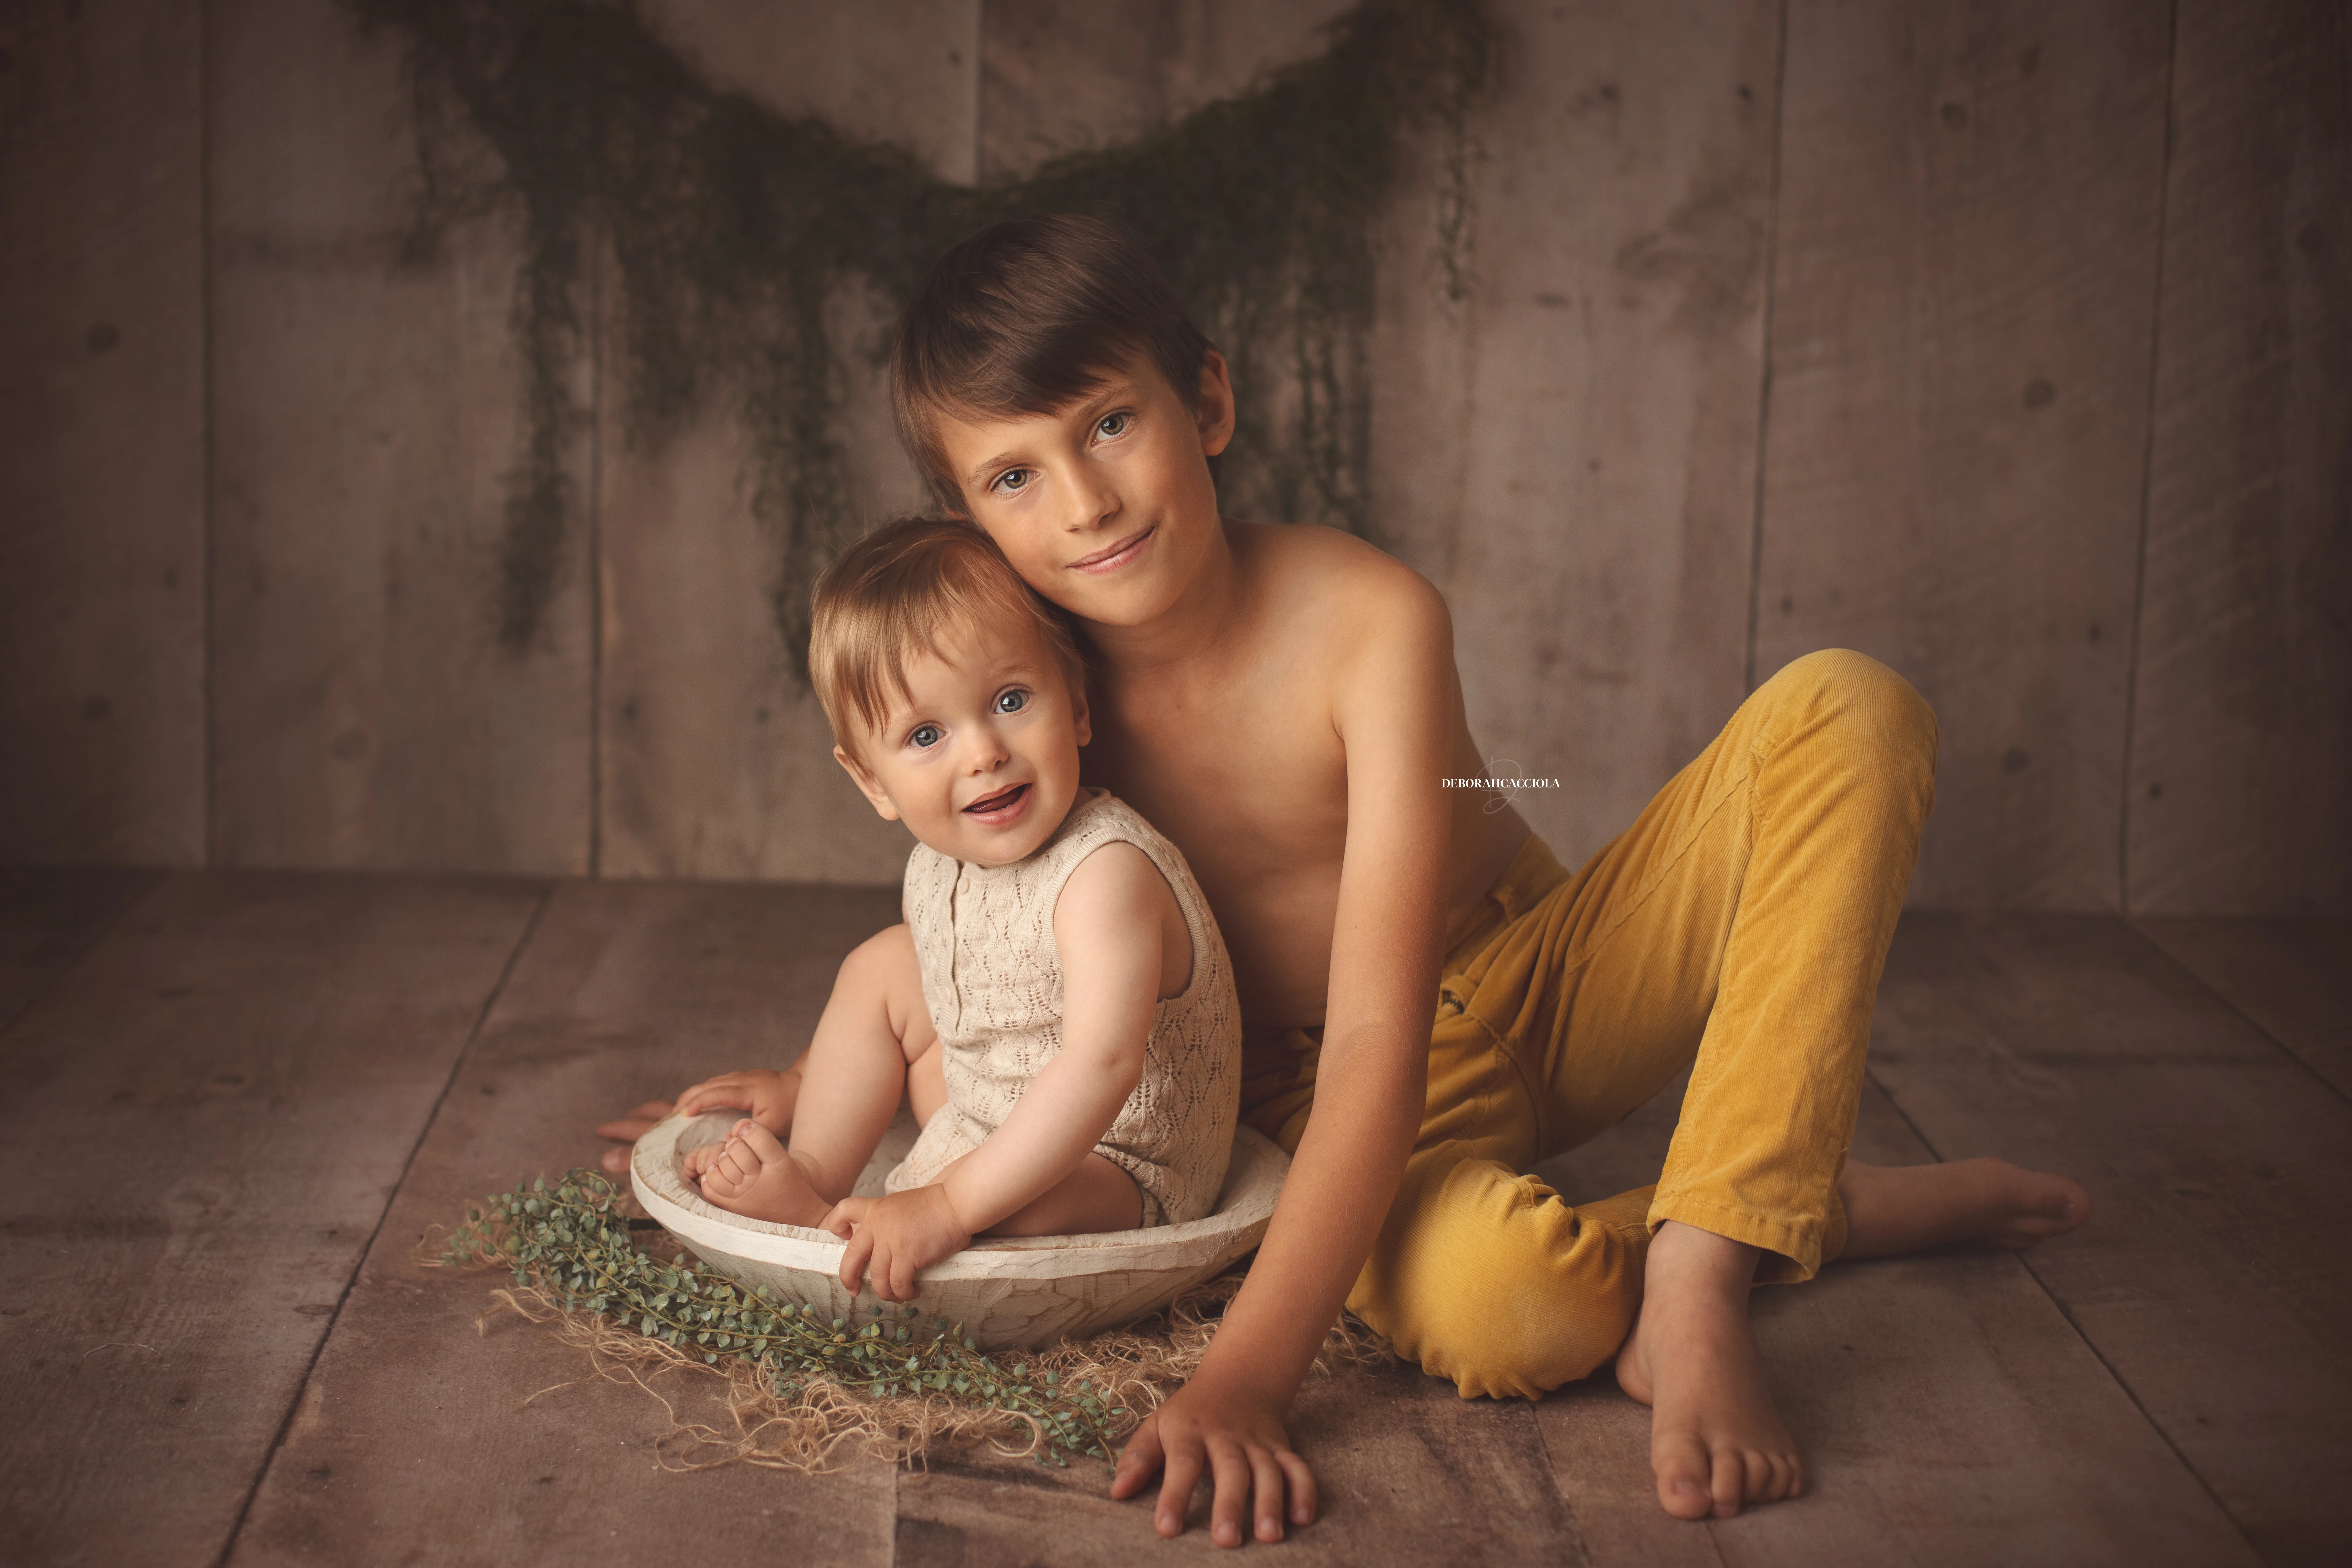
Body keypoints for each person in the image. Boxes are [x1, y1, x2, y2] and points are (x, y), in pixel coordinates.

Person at [601, 213, 2090, 1546]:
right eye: (1013, 474)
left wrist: (1246, 1378)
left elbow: (1388, 1020)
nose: (1085, 501)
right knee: (1519, 1309)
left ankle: (1707, 1263)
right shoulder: (1028, 696)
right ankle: (1801, 1201)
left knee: (1846, 707)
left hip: (1537, 971)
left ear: (1208, 401)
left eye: (1111, 422)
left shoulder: (1371, 618)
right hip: (1297, 1098)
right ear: (963, 517)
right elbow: (988, 937)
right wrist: (819, 1081)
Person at [659, 517, 1241, 1299]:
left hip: (1120, 1162)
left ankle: (851, 1224)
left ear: (1076, 704)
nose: (983, 752)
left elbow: (1102, 1066)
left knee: (1019, 1205)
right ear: (872, 782)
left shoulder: (1106, 871)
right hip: (987, 1110)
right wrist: (807, 1081)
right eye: (927, 733)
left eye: (1010, 700)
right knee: (883, 963)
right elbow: (943, 991)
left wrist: (950, 1203)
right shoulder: (938, 865)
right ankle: (815, 1175)